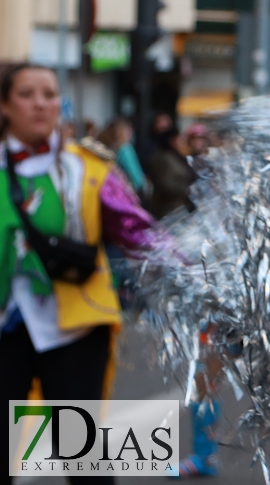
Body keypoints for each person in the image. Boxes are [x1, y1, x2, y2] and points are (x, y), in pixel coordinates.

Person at [0, 64, 155, 485]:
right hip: (7, 330)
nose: (41, 103)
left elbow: (139, 233)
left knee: (83, 460)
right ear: (5, 105)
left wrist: (203, 271)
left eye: (49, 94)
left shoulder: (88, 168)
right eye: (27, 94)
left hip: (75, 330)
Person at [146, 115, 197, 219]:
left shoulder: (177, 157)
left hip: (178, 211)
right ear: (172, 140)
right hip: (168, 212)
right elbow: (166, 184)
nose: (182, 143)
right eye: (180, 139)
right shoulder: (164, 158)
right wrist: (189, 190)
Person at [97, 117, 146, 194]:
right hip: (125, 193)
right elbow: (137, 179)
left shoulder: (104, 147)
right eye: (128, 130)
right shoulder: (125, 149)